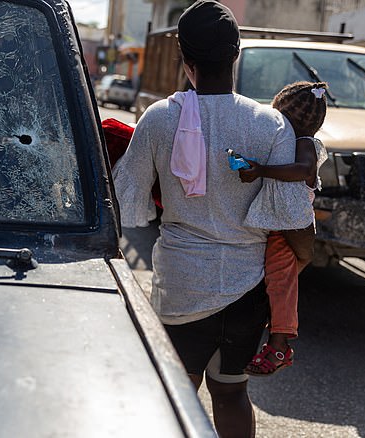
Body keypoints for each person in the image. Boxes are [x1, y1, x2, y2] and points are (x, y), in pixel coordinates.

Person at [112, 1, 311, 436]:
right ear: (235, 53)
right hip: (247, 287)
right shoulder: (271, 124)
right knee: (232, 392)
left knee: (175, 396)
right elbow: (294, 218)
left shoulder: (161, 118)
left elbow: (127, 200)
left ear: (186, 58)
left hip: (182, 285)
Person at [238, 81, 329, 376]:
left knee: (281, 282)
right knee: (277, 281)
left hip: (290, 225)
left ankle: (280, 346)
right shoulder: (290, 139)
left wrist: (261, 170)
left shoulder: (303, 143)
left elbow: (303, 170)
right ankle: (274, 337)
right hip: (284, 221)